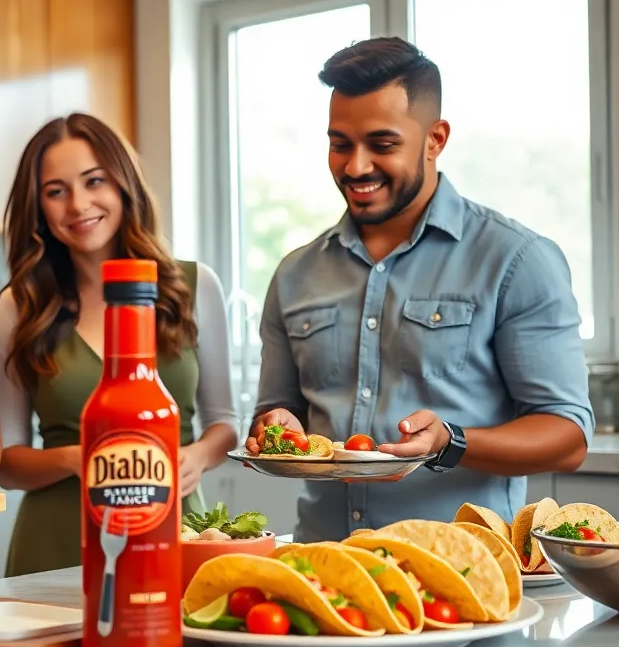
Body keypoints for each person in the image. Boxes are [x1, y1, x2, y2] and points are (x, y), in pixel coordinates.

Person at [245, 36, 594, 543]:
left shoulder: (516, 259)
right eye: (339, 143)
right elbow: (277, 411)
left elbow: (568, 438)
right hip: (323, 567)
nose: (355, 166)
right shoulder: (295, 273)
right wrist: (274, 427)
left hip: (464, 576)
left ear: (435, 139)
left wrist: (451, 442)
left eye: (382, 145)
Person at [0, 113, 238, 578]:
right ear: (38, 206)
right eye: (55, 191)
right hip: (57, 543)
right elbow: (7, 461)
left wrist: (197, 457)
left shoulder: (193, 284)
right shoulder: (18, 306)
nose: (78, 204)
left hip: (174, 528)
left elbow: (225, 423)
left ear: (124, 184)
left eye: (94, 181)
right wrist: (75, 457)